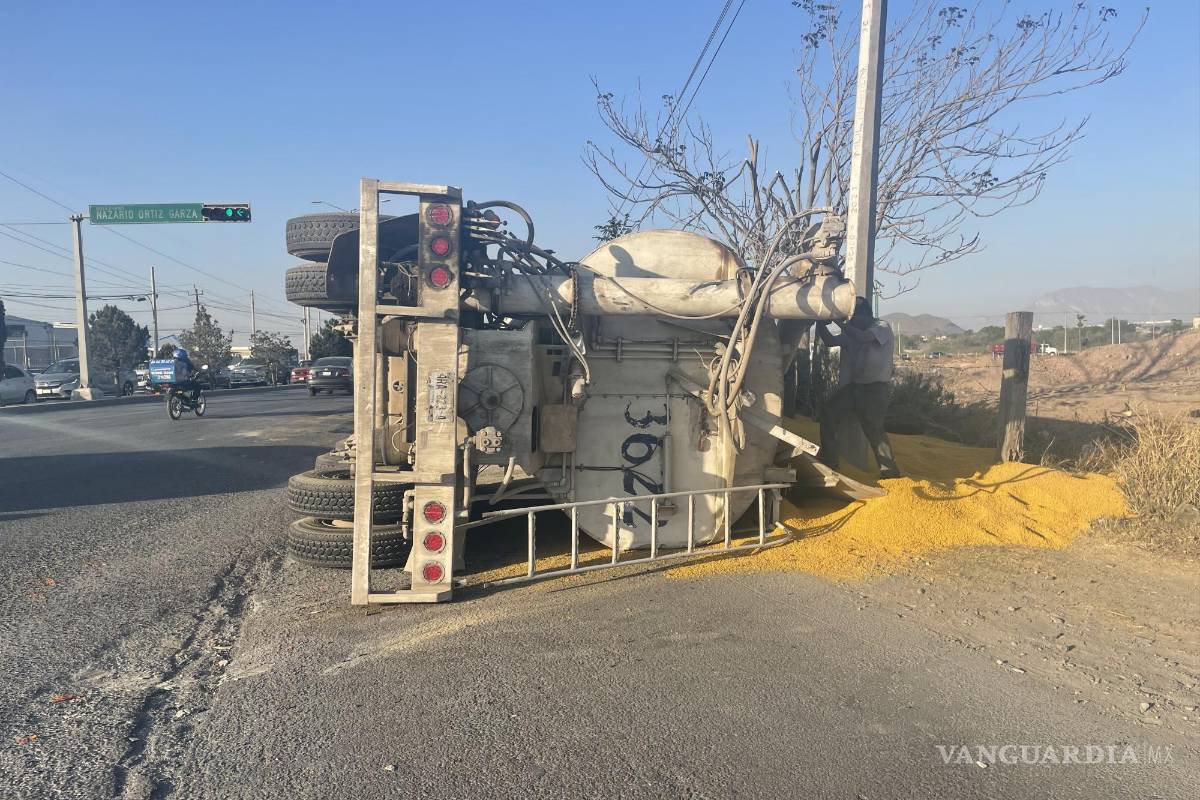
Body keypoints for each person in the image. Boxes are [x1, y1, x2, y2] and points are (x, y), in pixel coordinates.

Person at [815, 297, 901, 479]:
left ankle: (890, 472)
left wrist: (839, 323)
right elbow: (830, 341)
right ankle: (830, 459)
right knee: (828, 412)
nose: (850, 321)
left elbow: (862, 338)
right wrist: (821, 322)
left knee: (874, 429)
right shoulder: (854, 331)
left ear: (865, 316)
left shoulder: (880, 327)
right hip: (854, 387)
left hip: (874, 389)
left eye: (853, 318)